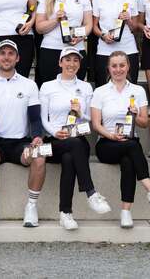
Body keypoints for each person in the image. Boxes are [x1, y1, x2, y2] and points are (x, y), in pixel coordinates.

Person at [91, 51, 150, 228]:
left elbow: (144, 123)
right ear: (108, 68)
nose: (118, 69)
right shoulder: (100, 92)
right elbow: (96, 124)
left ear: (128, 67)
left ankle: (126, 212)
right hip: (106, 143)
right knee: (132, 148)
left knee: (129, 161)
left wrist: (136, 115)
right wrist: (111, 135)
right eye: (114, 66)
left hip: (130, 140)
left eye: (122, 65)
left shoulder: (138, 90)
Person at [0, 39, 45, 228]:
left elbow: (35, 118)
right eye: (2, 53)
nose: (6, 57)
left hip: (21, 143)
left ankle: (31, 206)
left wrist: (37, 136)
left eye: (11, 53)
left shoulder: (29, 85)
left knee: (39, 157)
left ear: (17, 58)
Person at [40, 47, 111, 230]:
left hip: (77, 139)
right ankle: (91, 193)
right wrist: (55, 132)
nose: (71, 64)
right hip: (54, 141)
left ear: (79, 64)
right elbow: (43, 119)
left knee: (69, 157)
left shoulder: (86, 87)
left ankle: (66, 214)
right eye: (67, 59)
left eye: (75, 60)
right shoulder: (47, 86)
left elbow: (91, 120)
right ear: (60, 62)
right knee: (71, 148)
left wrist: (80, 113)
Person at [36, 0, 92, 84]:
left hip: (76, 51)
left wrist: (80, 37)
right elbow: (39, 27)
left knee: (76, 90)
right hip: (50, 50)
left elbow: (88, 24)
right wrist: (55, 20)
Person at [92, 0, 139, 87]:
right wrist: (103, 36)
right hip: (104, 51)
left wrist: (128, 19)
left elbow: (135, 28)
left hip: (128, 50)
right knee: (103, 90)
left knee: (129, 90)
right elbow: (94, 26)